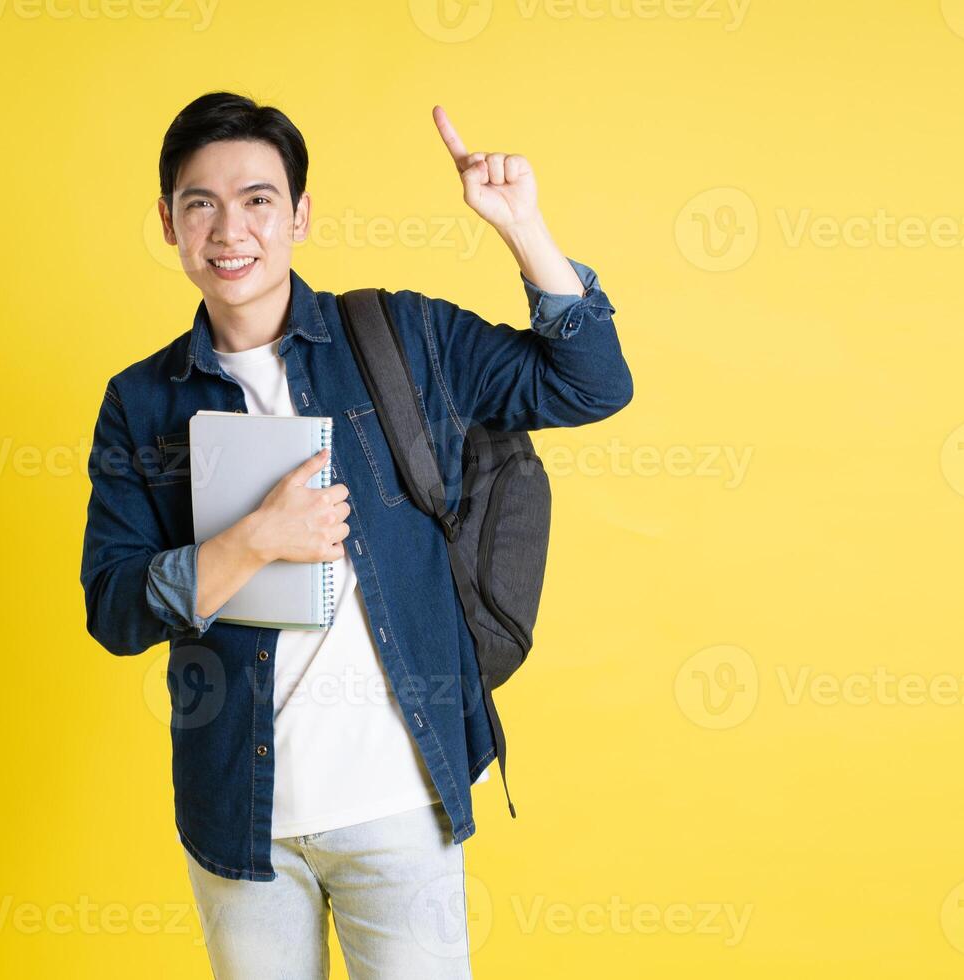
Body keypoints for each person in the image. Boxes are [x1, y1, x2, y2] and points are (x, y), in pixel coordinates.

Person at [79, 90, 633, 978]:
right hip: (238, 817)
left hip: (399, 805)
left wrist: (523, 229)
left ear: (298, 214)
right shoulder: (142, 401)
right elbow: (112, 610)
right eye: (200, 203)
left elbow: (590, 384)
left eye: (258, 199)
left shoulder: (398, 335)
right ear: (168, 222)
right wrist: (254, 540)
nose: (230, 229)